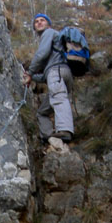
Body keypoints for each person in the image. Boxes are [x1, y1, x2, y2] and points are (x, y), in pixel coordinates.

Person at [23, 13, 74, 143]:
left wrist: (29, 73)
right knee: (42, 112)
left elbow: (41, 54)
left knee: (59, 98)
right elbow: (46, 76)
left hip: (56, 72)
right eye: (36, 22)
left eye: (42, 20)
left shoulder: (49, 33)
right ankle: (47, 135)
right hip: (64, 74)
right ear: (34, 27)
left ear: (48, 24)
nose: (39, 22)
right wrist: (33, 77)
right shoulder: (55, 40)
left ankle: (65, 130)